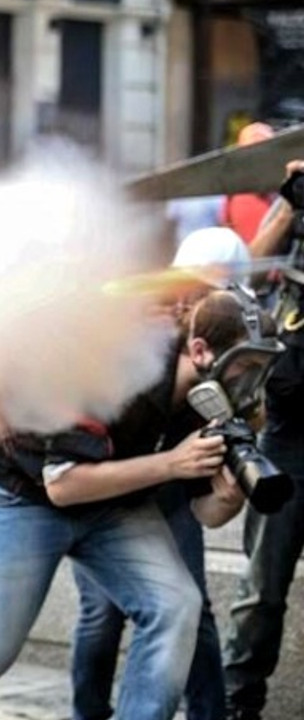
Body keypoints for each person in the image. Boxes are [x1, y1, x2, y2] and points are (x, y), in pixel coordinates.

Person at [0, 290, 276, 720]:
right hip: (22, 497)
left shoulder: (210, 398)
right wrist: (171, 464)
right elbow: (63, 484)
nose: (252, 382)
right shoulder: (118, 361)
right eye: (246, 366)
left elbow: (205, 514)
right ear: (201, 351)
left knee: (175, 606)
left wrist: (227, 498)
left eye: (261, 368)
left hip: (114, 504)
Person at [67, 230, 255, 720]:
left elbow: (212, 500)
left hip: (171, 483)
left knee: (190, 608)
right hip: (103, 485)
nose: (202, 297)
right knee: (101, 614)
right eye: (195, 285)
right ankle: (89, 713)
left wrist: (227, 487)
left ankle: (208, 714)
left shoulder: (231, 337)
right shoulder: (142, 334)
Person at [223, 159, 304, 720]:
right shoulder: (295, 215)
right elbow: (246, 269)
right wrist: (293, 200)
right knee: (261, 588)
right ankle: (237, 703)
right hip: (289, 432)